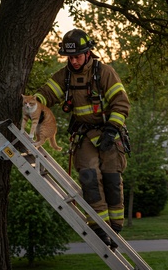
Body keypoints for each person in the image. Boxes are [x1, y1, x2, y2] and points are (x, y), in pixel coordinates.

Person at [33, 29, 130, 249]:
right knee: (89, 178)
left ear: (88, 53)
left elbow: (121, 103)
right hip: (84, 135)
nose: (74, 61)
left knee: (112, 180)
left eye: (77, 56)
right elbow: (45, 94)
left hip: (109, 133)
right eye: (70, 57)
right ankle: (99, 227)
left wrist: (112, 129)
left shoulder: (104, 73)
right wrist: (33, 103)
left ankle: (115, 228)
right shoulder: (64, 76)